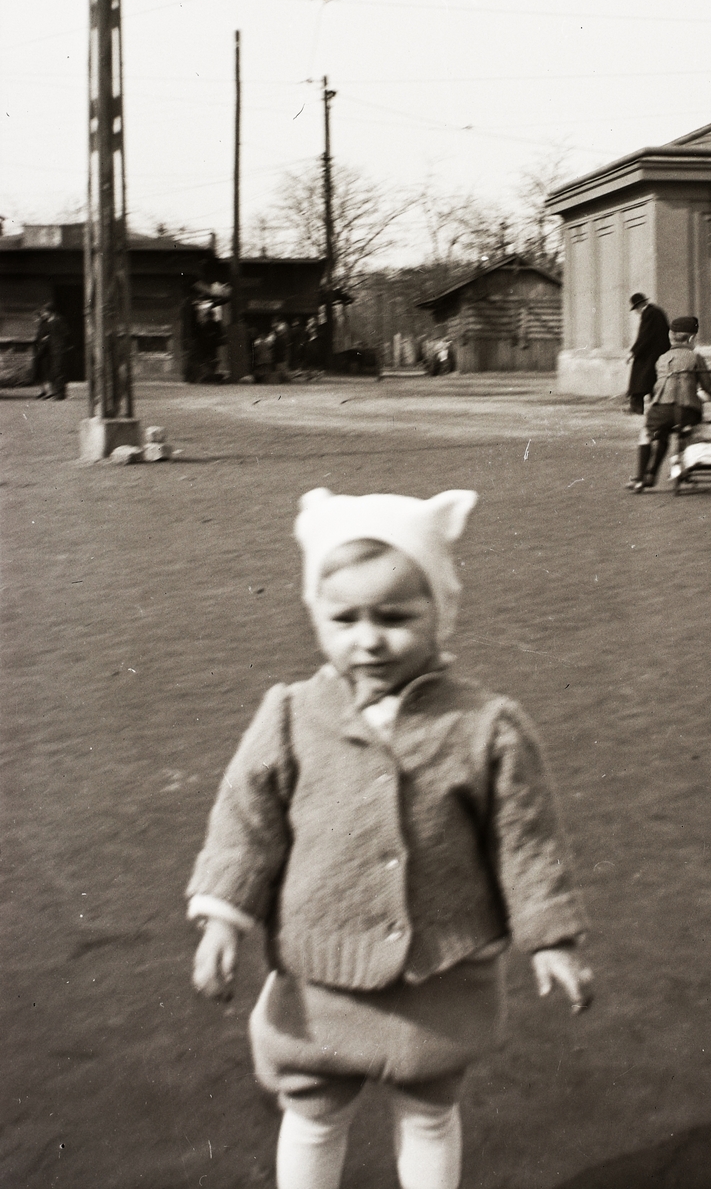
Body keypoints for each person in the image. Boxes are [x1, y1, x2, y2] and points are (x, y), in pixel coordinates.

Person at [187, 486, 592, 1189]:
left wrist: (550, 934)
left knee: (429, 1113)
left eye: (396, 617)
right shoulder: (289, 714)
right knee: (313, 1112)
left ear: (441, 614)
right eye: (344, 618)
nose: (368, 639)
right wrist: (223, 918)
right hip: (321, 969)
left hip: (441, 966)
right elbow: (245, 822)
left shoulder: (486, 724)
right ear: (317, 617)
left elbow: (525, 840)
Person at [632, 315, 711, 491]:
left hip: (661, 410)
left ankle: (642, 477)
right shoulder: (696, 357)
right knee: (681, 427)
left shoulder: (662, 358)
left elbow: (656, 388)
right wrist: (700, 396)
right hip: (688, 412)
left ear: (671, 336)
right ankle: (680, 463)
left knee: (649, 433)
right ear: (692, 338)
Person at [623, 292, 670, 488]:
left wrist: (633, 352)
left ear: (640, 306)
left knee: (639, 371)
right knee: (644, 374)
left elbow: (645, 336)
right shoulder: (656, 312)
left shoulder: (649, 314)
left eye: (636, 309)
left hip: (653, 354)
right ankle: (638, 402)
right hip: (660, 353)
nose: (636, 312)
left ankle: (636, 403)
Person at [32, 303, 70, 400]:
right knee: (55, 371)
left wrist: (62, 344)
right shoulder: (49, 322)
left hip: (59, 349)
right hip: (52, 350)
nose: (44, 314)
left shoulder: (58, 320)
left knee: (58, 371)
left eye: (45, 312)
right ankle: (58, 393)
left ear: (50, 312)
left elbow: (66, 334)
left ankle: (60, 394)